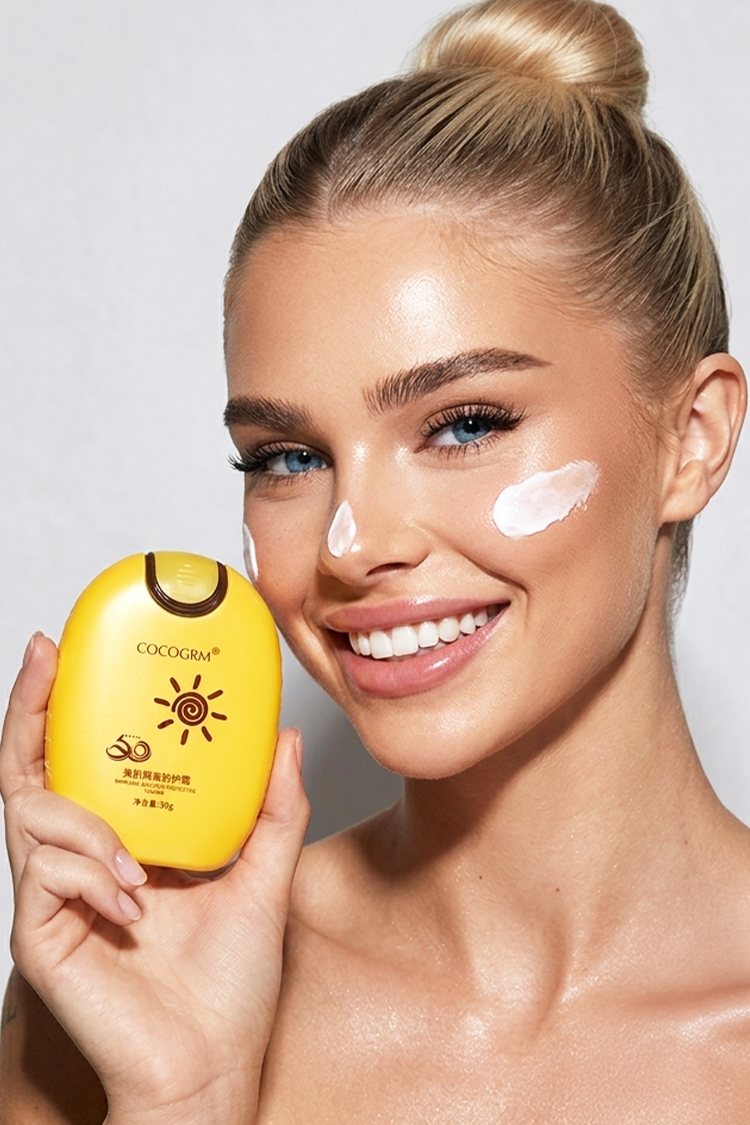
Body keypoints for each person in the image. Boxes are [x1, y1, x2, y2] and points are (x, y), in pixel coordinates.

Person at [2, 0, 749, 1119]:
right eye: (288, 456)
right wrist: (182, 1093)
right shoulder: (132, 989)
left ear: (691, 438)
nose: (352, 544)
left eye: (465, 425)